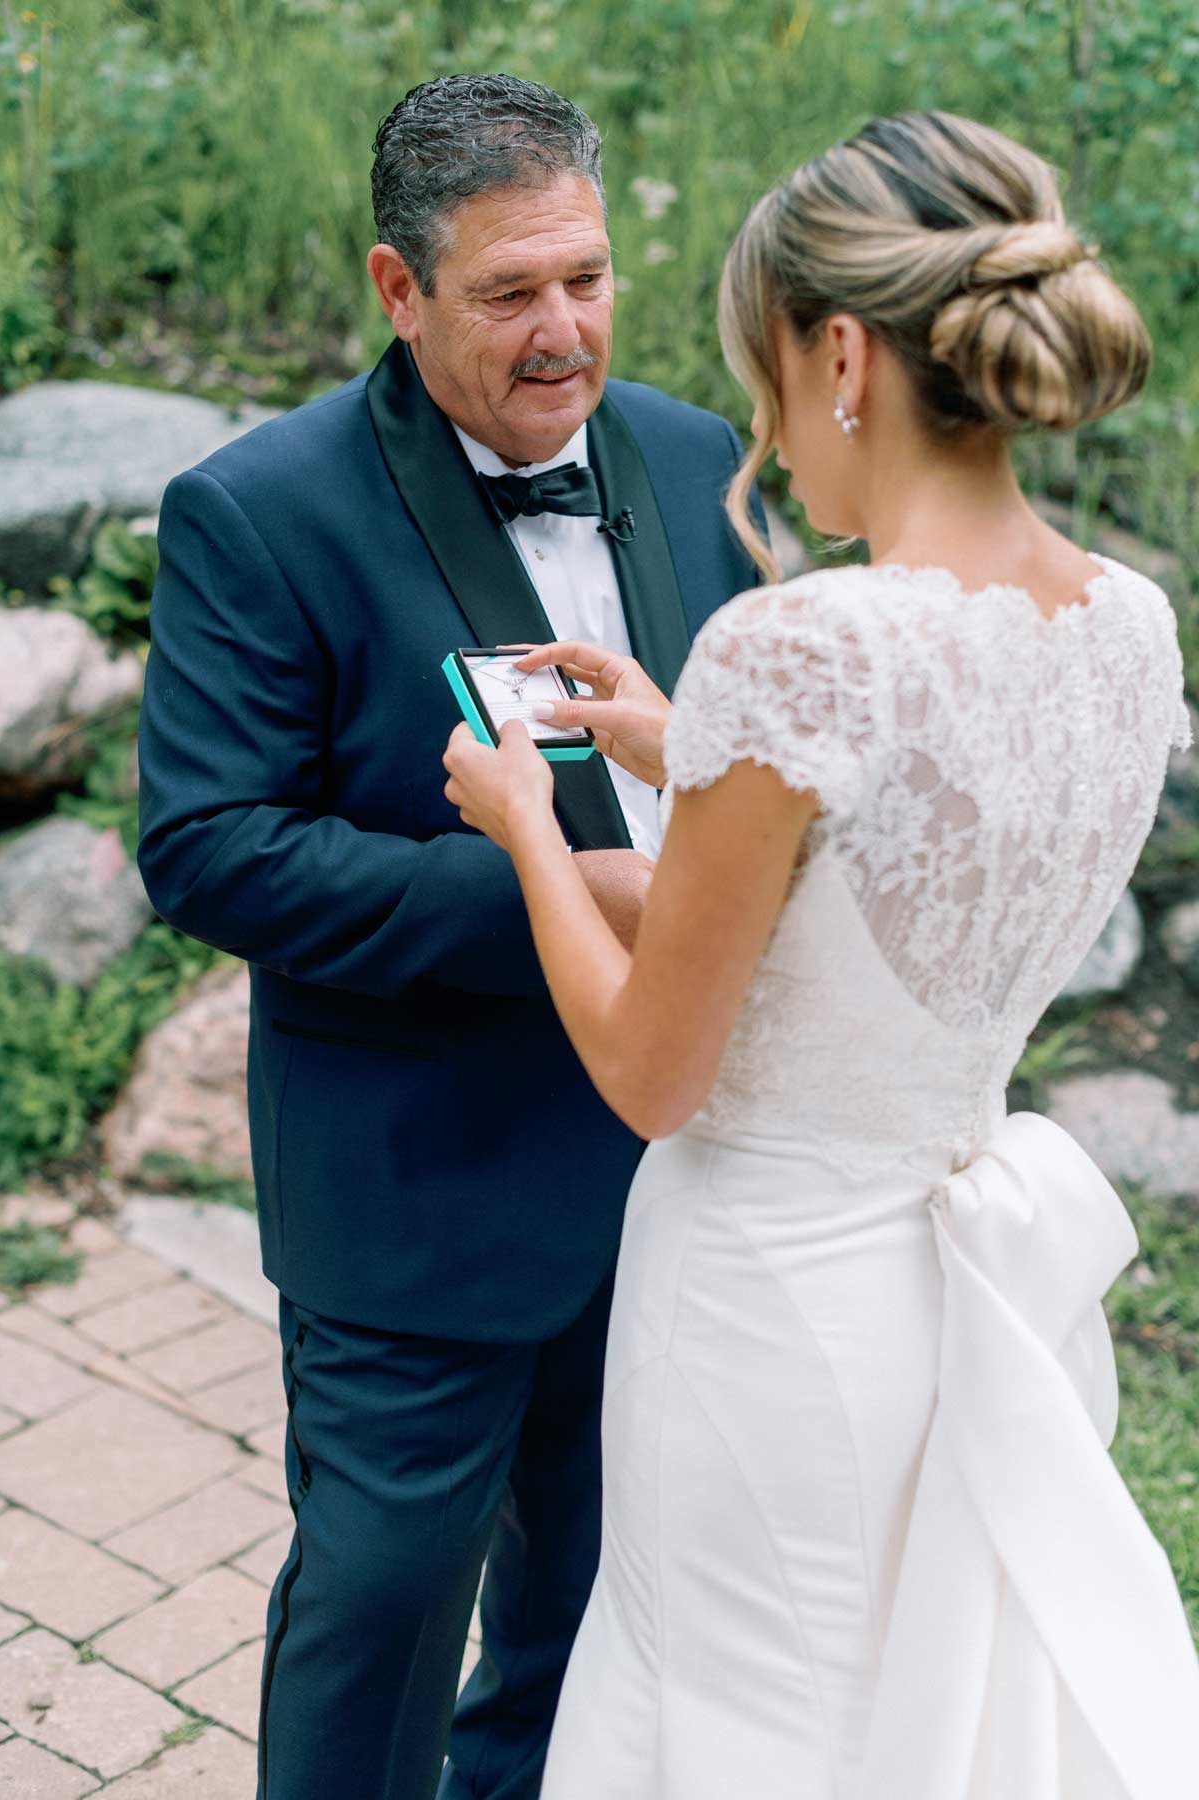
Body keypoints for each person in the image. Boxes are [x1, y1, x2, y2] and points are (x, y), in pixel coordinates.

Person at [442, 109, 1199, 1797]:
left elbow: (651, 1071)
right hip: (948, 1300)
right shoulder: (1130, 625)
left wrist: (527, 828)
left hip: (766, 1319)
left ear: (840, 352)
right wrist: (679, 751)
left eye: (767, 378)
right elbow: (898, 895)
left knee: (736, 1725)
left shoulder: (797, 644)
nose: (771, 440)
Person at [136, 74, 758, 1800]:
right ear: (398, 290)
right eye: (509, 293)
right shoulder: (258, 509)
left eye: (589, 278)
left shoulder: (699, 458)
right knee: (380, 1621)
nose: (564, 332)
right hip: (413, 1186)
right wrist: (565, 893)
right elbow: (206, 851)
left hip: (668, 1177)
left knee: (594, 1623)